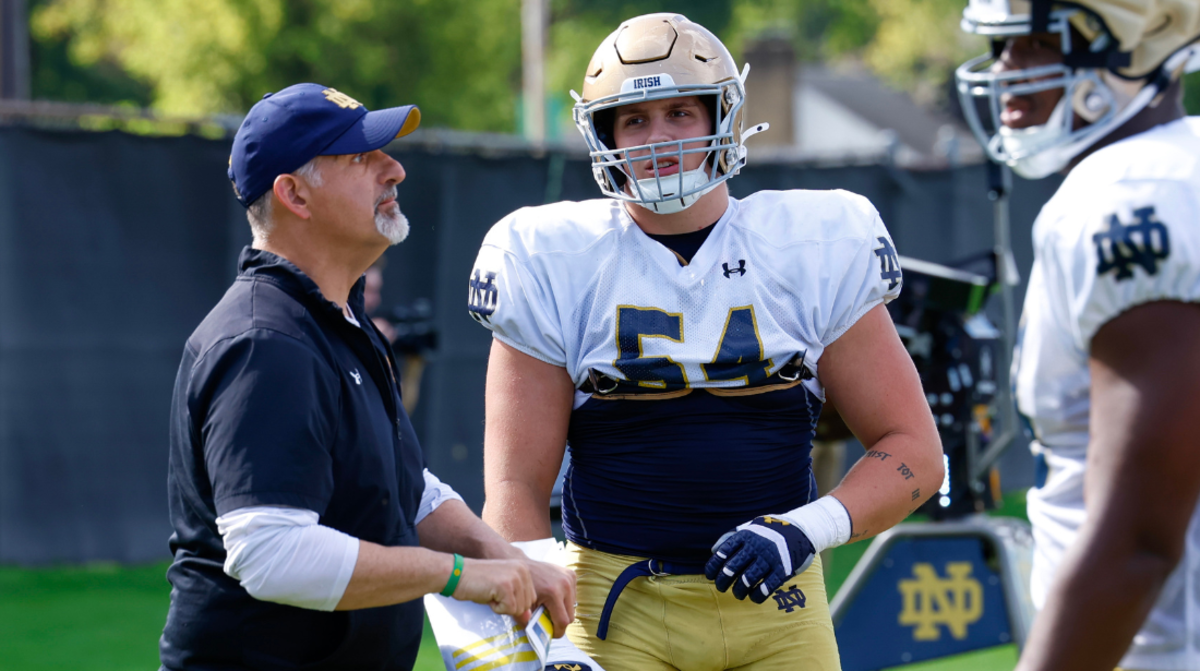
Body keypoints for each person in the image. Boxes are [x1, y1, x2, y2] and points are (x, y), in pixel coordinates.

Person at [468, 13, 943, 671]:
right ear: (604, 136)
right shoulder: (552, 258)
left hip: (778, 600)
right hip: (612, 601)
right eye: (634, 120)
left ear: (723, 118)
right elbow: (516, 486)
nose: (657, 138)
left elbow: (915, 451)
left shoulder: (813, 244)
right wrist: (537, 640)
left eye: (680, 112)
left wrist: (804, 529)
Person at [160, 83, 574, 671]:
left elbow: (403, 487)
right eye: (361, 157)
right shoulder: (266, 343)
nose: (395, 169)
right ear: (294, 194)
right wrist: (460, 575)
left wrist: (502, 554)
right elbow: (271, 553)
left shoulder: (339, 321)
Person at [956, 2, 1200, 669]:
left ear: (1126, 54)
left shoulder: (1127, 195)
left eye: (1035, 44)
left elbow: (1139, 539)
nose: (1005, 71)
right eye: (1003, 46)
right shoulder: (1174, 167)